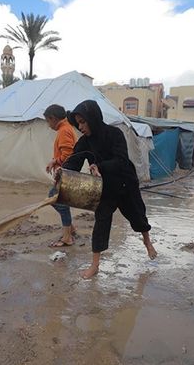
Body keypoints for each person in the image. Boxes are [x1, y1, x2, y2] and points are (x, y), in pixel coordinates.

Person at [63, 100, 157, 279]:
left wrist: (99, 166)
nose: (80, 127)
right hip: (105, 188)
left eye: (83, 122)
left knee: (138, 216)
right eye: (78, 123)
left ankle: (147, 242)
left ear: (94, 118)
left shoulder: (115, 134)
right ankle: (95, 265)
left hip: (125, 183)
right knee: (101, 222)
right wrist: (61, 168)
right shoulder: (84, 142)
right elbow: (73, 161)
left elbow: (121, 160)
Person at [43, 104, 78, 247]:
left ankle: (67, 237)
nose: (48, 125)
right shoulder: (66, 128)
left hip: (65, 173)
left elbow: (68, 155)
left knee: (57, 201)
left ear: (53, 118)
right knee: (58, 201)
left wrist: (55, 161)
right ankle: (70, 228)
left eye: (48, 121)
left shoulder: (64, 131)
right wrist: (54, 161)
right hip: (64, 172)